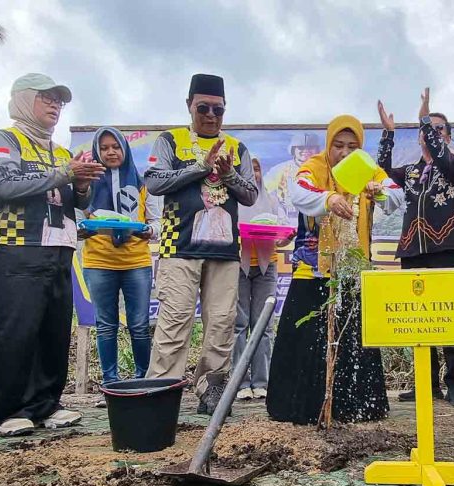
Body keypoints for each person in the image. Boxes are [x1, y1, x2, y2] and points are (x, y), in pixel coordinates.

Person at [0, 73, 103, 437]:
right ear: (22, 99)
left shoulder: (62, 151)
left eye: (59, 101)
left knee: (53, 330)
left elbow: (77, 202)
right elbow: (5, 184)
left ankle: (46, 403)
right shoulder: (4, 139)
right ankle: (7, 410)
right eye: (46, 98)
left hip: (60, 248)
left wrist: (80, 185)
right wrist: (65, 173)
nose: (54, 106)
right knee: (16, 331)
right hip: (19, 246)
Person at [267, 114, 403, 425]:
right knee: (303, 339)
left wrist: (375, 190)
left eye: (352, 146)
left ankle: (355, 409)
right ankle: (296, 410)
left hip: (351, 272)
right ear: (328, 144)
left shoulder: (366, 169)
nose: (344, 152)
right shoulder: (315, 167)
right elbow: (299, 193)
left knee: (353, 339)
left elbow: (396, 195)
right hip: (313, 271)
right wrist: (328, 198)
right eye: (338, 145)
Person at [144, 74, 257, 415]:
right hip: (178, 249)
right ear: (189, 106)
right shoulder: (170, 140)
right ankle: (160, 396)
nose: (210, 115)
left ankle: (211, 392)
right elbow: (154, 182)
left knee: (222, 324)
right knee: (174, 323)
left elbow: (250, 194)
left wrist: (227, 175)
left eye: (218, 110)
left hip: (224, 253)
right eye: (203, 108)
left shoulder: (237, 148)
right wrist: (200, 167)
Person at [376, 88, 454, 408]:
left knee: (450, 319)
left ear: (447, 136)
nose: (430, 133)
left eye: (438, 128)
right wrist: (388, 134)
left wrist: (423, 117)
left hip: (446, 245)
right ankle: (426, 384)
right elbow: (383, 170)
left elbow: (442, 155)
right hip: (412, 250)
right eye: (426, 129)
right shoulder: (412, 171)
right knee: (419, 319)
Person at [80, 127, 160, 402]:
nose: (111, 152)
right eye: (104, 148)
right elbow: (78, 219)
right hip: (98, 261)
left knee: (139, 325)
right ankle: (110, 384)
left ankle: (143, 381)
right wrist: (85, 228)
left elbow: (157, 223)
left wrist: (148, 231)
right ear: (96, 152)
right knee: (105, 325)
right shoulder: (86, 185)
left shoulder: (141, 183)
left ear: (125, 150)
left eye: (116, 146)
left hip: (136, 261)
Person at [232, 156, 289, 400]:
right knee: (239, 325)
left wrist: (284, 239)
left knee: (263, 325)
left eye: (256, 169)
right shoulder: (231, 200)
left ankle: (261, 382)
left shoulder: (271, 199)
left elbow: (281, 231)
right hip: (238, 266)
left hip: (267, 266)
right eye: (248, 169)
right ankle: (241, 383)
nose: (253, 173)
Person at [264, 132, 320, 220]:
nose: (306, 150)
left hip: (316, 221)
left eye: (310, 147)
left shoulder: (323, 170)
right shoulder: (279, 169)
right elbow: (264, 191)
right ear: (293, 149)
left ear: (317, 150)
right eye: (301, 147)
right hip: (286, 219)